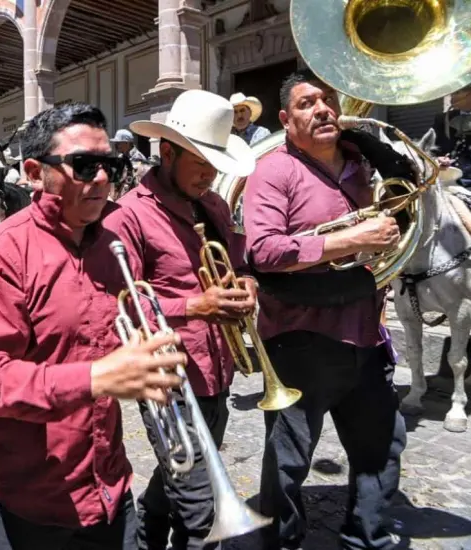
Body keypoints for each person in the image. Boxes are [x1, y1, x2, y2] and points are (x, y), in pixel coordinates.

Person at [0, 102, 186, 549]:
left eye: (110, 165)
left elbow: (129, 319)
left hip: (109, 484)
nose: (101, 178)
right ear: (34, 172)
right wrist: (99, 376)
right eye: (83, 165)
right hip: (31, 501)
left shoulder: (114, 246)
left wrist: (150, 345)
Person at [243, 68, 408, 550]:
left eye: (328, 100)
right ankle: (281, 541)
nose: (322, 109)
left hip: (366, 332)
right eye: (306, 103)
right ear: (285, 118)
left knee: (382, 446)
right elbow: (266, 252)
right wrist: (353, 238)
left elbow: (414, 194)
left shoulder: (363, 163)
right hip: (302, 338)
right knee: (288, 459)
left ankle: (367, 537)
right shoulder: (274, 170)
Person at [102, 89, 257, 550]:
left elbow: (238, 264)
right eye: (201, 162)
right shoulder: (128, 215)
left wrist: (247, 283)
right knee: (201, 507)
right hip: (169, 380)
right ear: (166, 152)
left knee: (188, 476)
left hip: (218, 369)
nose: (210, 174)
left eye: (216, 163)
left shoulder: (215, 207)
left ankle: (148, 528)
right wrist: (195, 306)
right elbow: (117, 303)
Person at [432, 84, 471, 187]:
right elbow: (433, 149)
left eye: (457, 93)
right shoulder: (442, 119)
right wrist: (437, 159)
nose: (451, 97)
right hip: (448, 180)